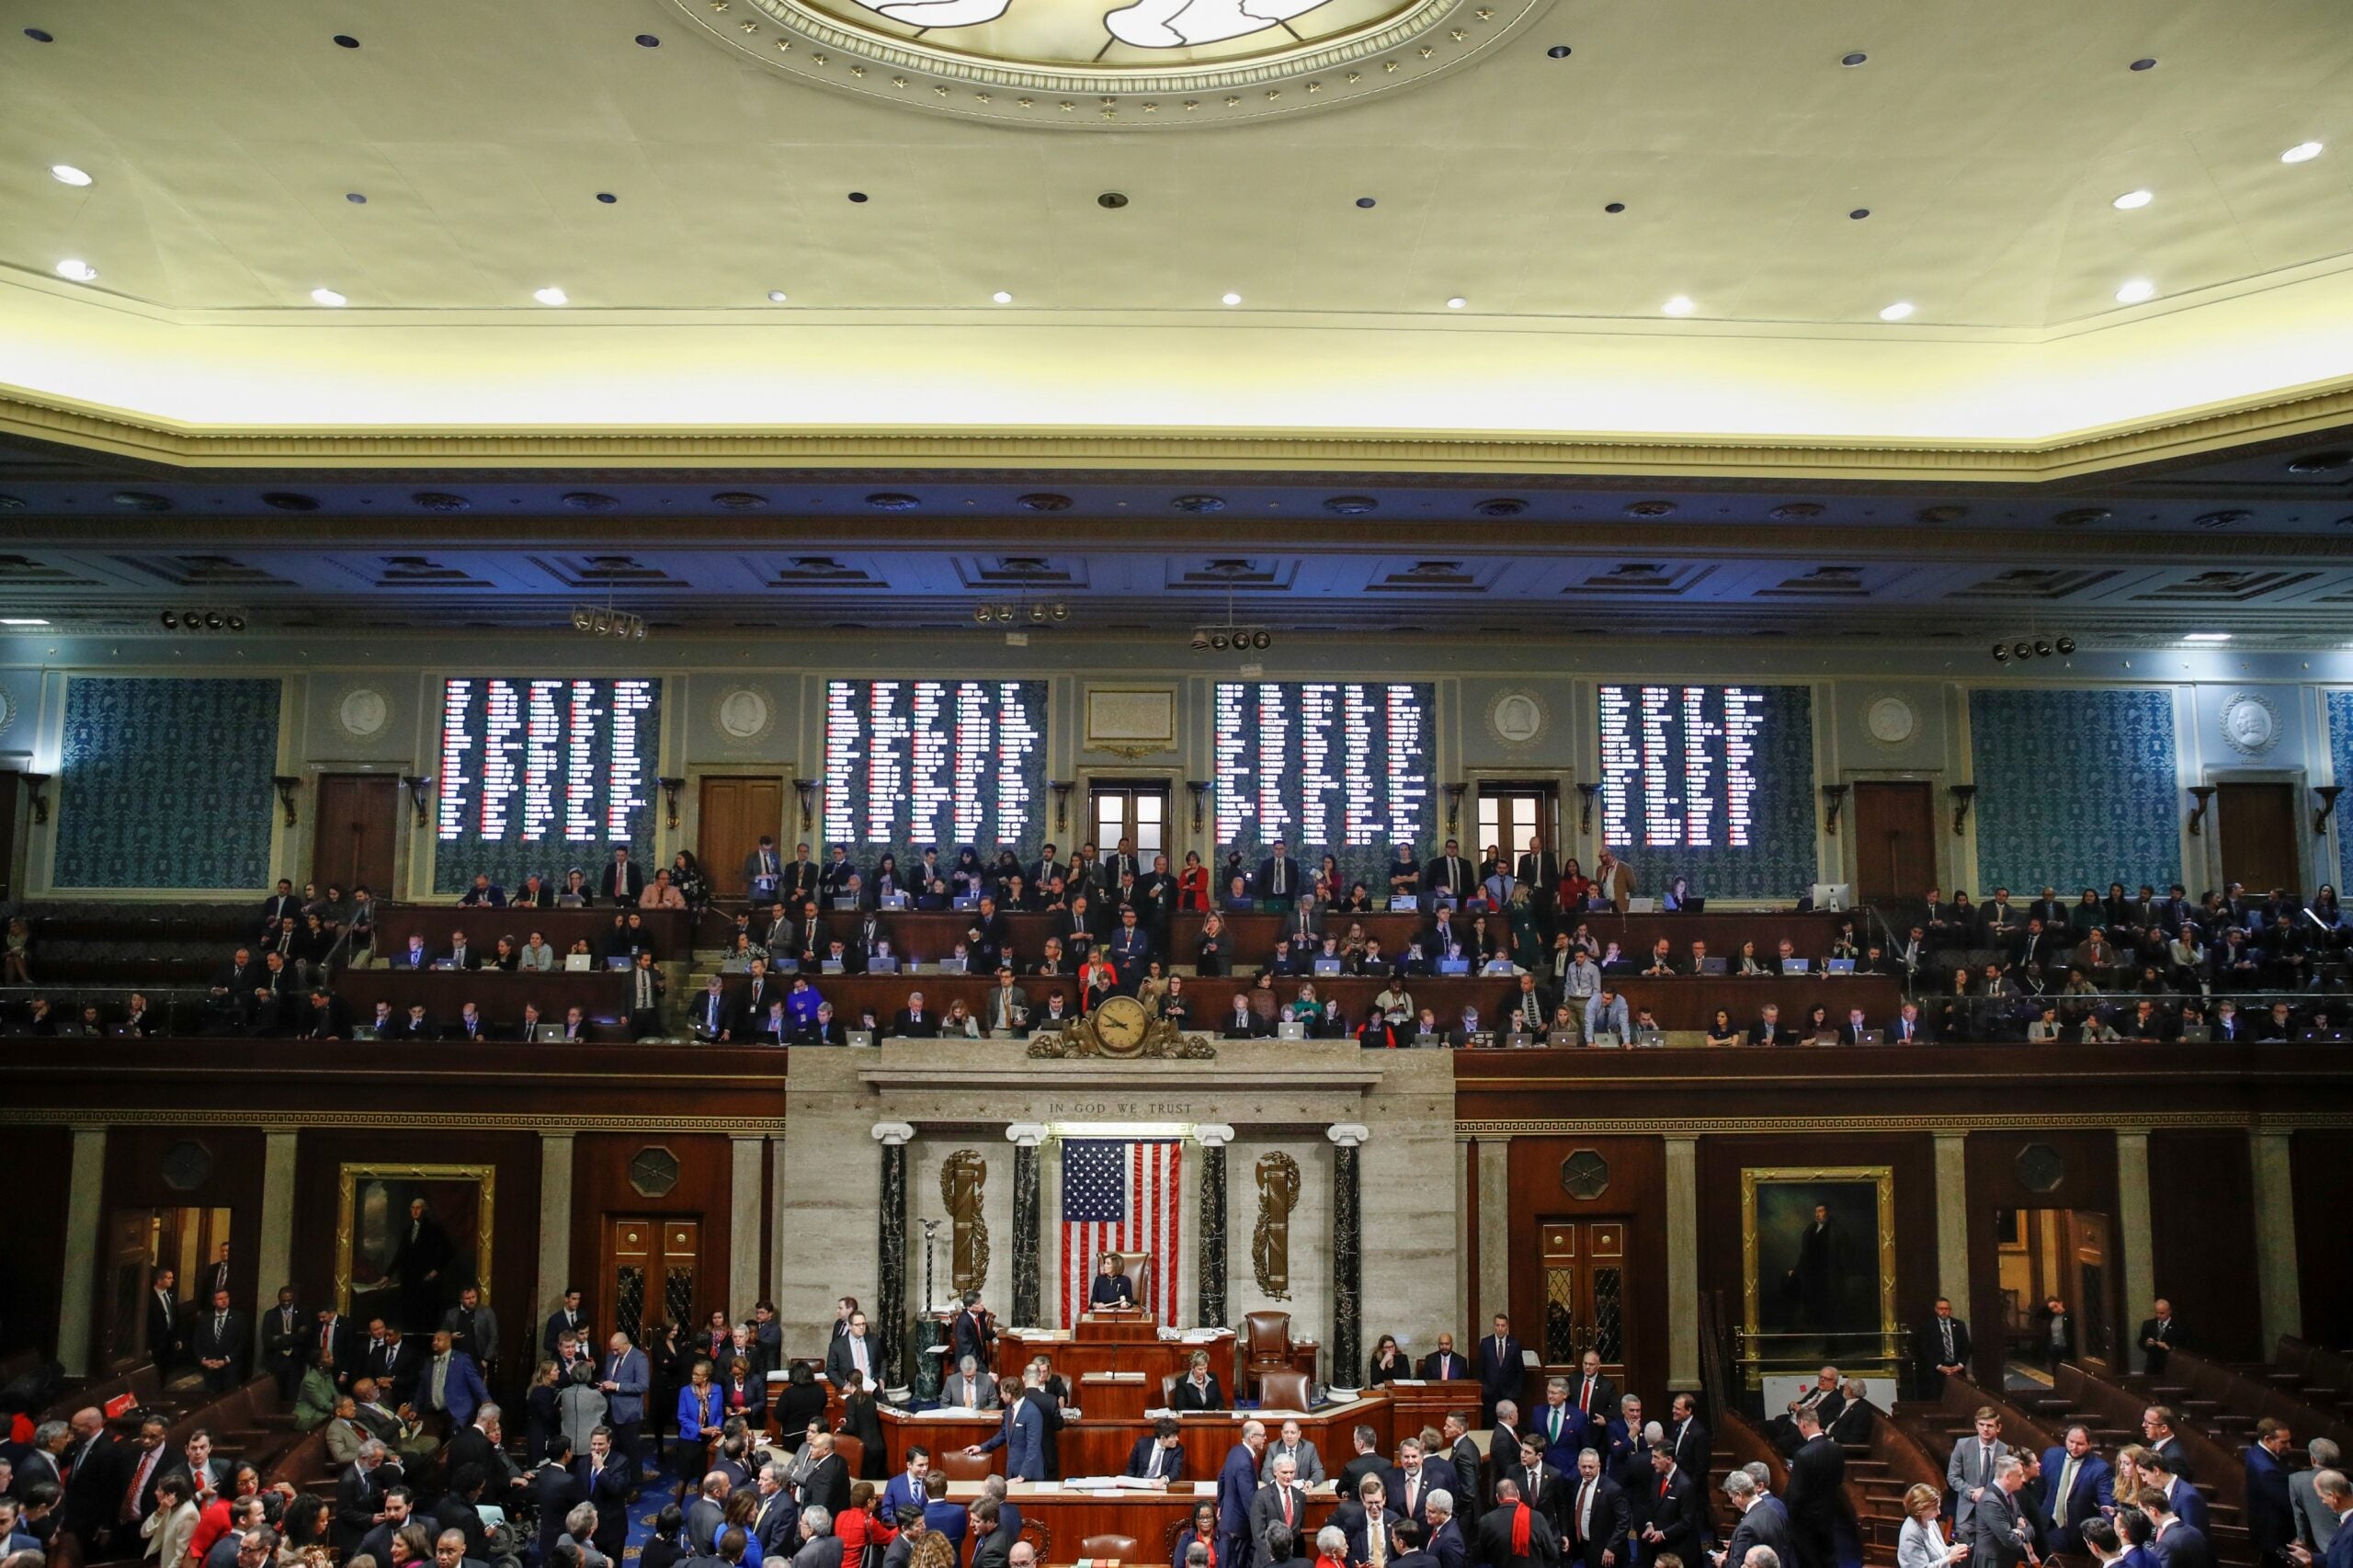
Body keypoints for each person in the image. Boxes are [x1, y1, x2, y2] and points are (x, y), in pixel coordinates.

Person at [2041, 1426, 2112, 1560]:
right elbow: (2040, 1491)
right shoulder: (2051, 1455)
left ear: (2090, 1444)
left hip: (2076, 1532)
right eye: (2071, 1441)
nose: (2074, 1447)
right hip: (2047, 1524)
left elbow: (2107, 1506)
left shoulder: (2100, 1469)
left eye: (2080, 1444)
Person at [1964, 1458, 2032, 1568]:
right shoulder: (1989, 1500)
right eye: (2020, 1476)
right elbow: (2009, 1539)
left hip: (2004, 1561)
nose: (2023, 1479)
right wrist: (2020, 1534)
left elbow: (2030, 1529)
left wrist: (2020, 1533)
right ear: (2008, 1476)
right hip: (1992, 1563)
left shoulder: (2011, 1497)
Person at [1715, 1471, 1791, 1568]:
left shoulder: (1747, 1526)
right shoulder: (1773, 1511)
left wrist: (1722, 1562)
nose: (1733, 1501)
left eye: (1732, 1497)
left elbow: (1737, 1566)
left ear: (1739, 1495)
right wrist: (1735, 1544)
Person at [1897, 1483, 1967, 1568]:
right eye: (1934, 1509)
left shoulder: (1931, 1521)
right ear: (1920, 1509)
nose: (1939, 1512)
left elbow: (1938, 1552)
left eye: (1939, 1507)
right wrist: (1950, 1558)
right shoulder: (1911, 1533)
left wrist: (1954, 1550)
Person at [2138, 1301, 2183, 1378]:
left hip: (2170, 1366)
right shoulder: (2148, 1324)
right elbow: (2140, 1342)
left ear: (2169, 1312)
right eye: (2156, 1313)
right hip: (2152, 1367)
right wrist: (2146, 1344)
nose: (2158, 1316)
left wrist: (2168, 1348)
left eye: (2162, 1313)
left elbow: (2183, 1348)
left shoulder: (2178, 1327)